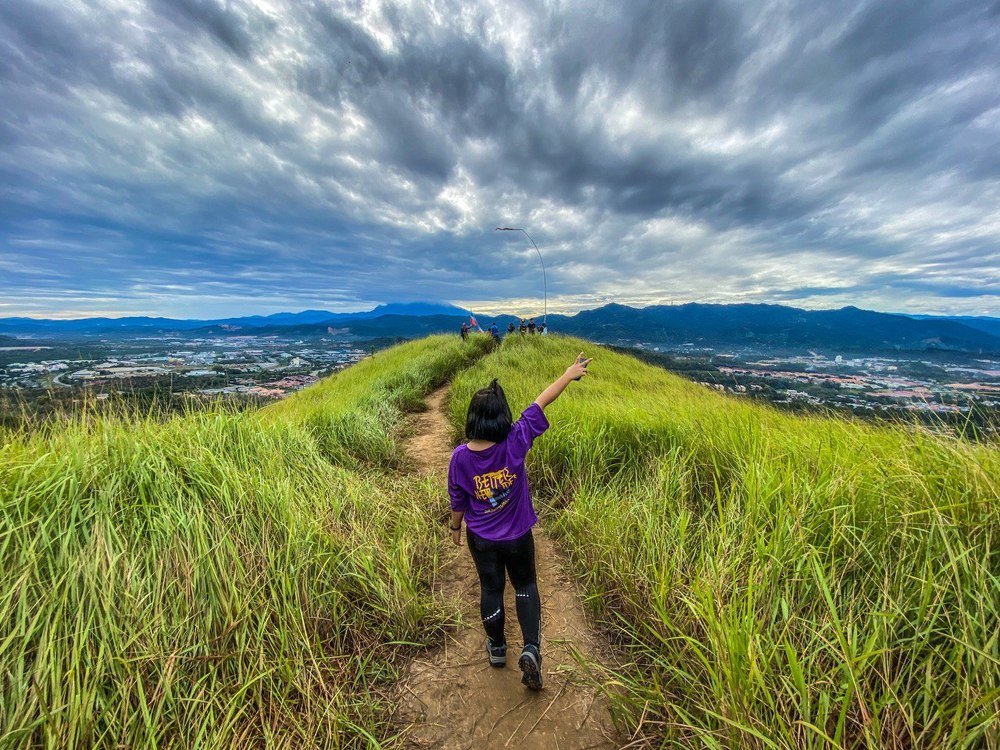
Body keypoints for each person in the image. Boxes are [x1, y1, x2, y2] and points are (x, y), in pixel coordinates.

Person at [447, 352, 593, 690]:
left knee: (491, 588)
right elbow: (543, 400)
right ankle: (530, 649)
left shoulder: (460, 457)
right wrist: (568, 374)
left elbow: (458, 499)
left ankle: (497, 648)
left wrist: (456, 528)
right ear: (504, 416)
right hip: (518, 535)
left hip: (482, 538)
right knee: (525, 585)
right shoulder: (516, 439)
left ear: (472, 418)